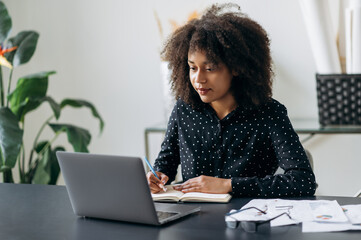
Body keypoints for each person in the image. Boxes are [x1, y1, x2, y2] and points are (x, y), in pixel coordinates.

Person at [146, 3, 317, 197]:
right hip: (192, 217)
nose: (199, 79)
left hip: (248, 221)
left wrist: (229, 185)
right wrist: (157, 176)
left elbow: (303, 181)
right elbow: (166, 163)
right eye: (193, 68)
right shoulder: (184, 108)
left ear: (236, 68)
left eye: (209, 68)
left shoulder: (269, 113)